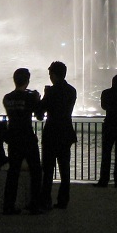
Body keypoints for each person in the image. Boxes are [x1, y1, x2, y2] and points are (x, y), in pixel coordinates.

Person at [37, 61, 78, 210]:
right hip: (66, 132)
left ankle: (46, 200)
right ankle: (63, 200)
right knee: (64, 169)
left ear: (53, 75)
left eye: (50, 75)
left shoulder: (52, 92)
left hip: (51, 133)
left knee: (48, 170)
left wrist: (42, 97)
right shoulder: (72, 91)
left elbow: (40, 113)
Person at [3, 67, 44, 214]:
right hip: (27, 137)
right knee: (36, 171)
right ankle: (34, 204)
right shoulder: (30, 97)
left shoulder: (7, 98)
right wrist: (38, 100)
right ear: (27, 81)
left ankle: (8, 205)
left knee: (13, 172)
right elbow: (39, 116)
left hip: (13, 137)